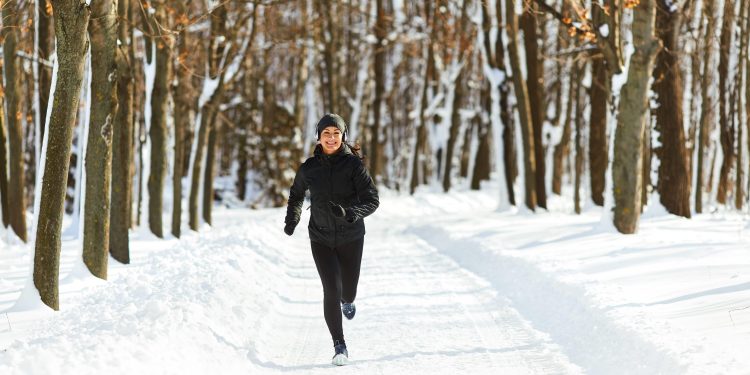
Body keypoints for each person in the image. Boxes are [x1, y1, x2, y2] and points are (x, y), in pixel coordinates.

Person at [284, 113, 379, 366]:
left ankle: (348, 301)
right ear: (319, 136)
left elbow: (372, 200)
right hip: (321, 238)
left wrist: (350, 214)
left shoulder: (353, 166)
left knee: (347, 291)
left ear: (343, 136)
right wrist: (292, 219)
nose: (331, 138)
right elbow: (295, 196)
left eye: (336, 133)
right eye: (326, 133)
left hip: (351, 237)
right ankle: (339, 344)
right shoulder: (309, 168)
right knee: (331, 288)